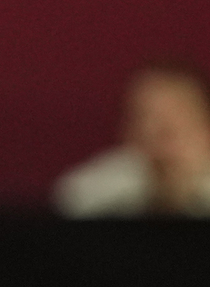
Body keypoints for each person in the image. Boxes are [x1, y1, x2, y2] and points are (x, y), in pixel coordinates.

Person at [54, 59, 210, 216]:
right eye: (149, 115)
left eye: (179, 111)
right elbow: (73, 198)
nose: (165, 127)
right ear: (128, 127)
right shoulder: (98, 186)